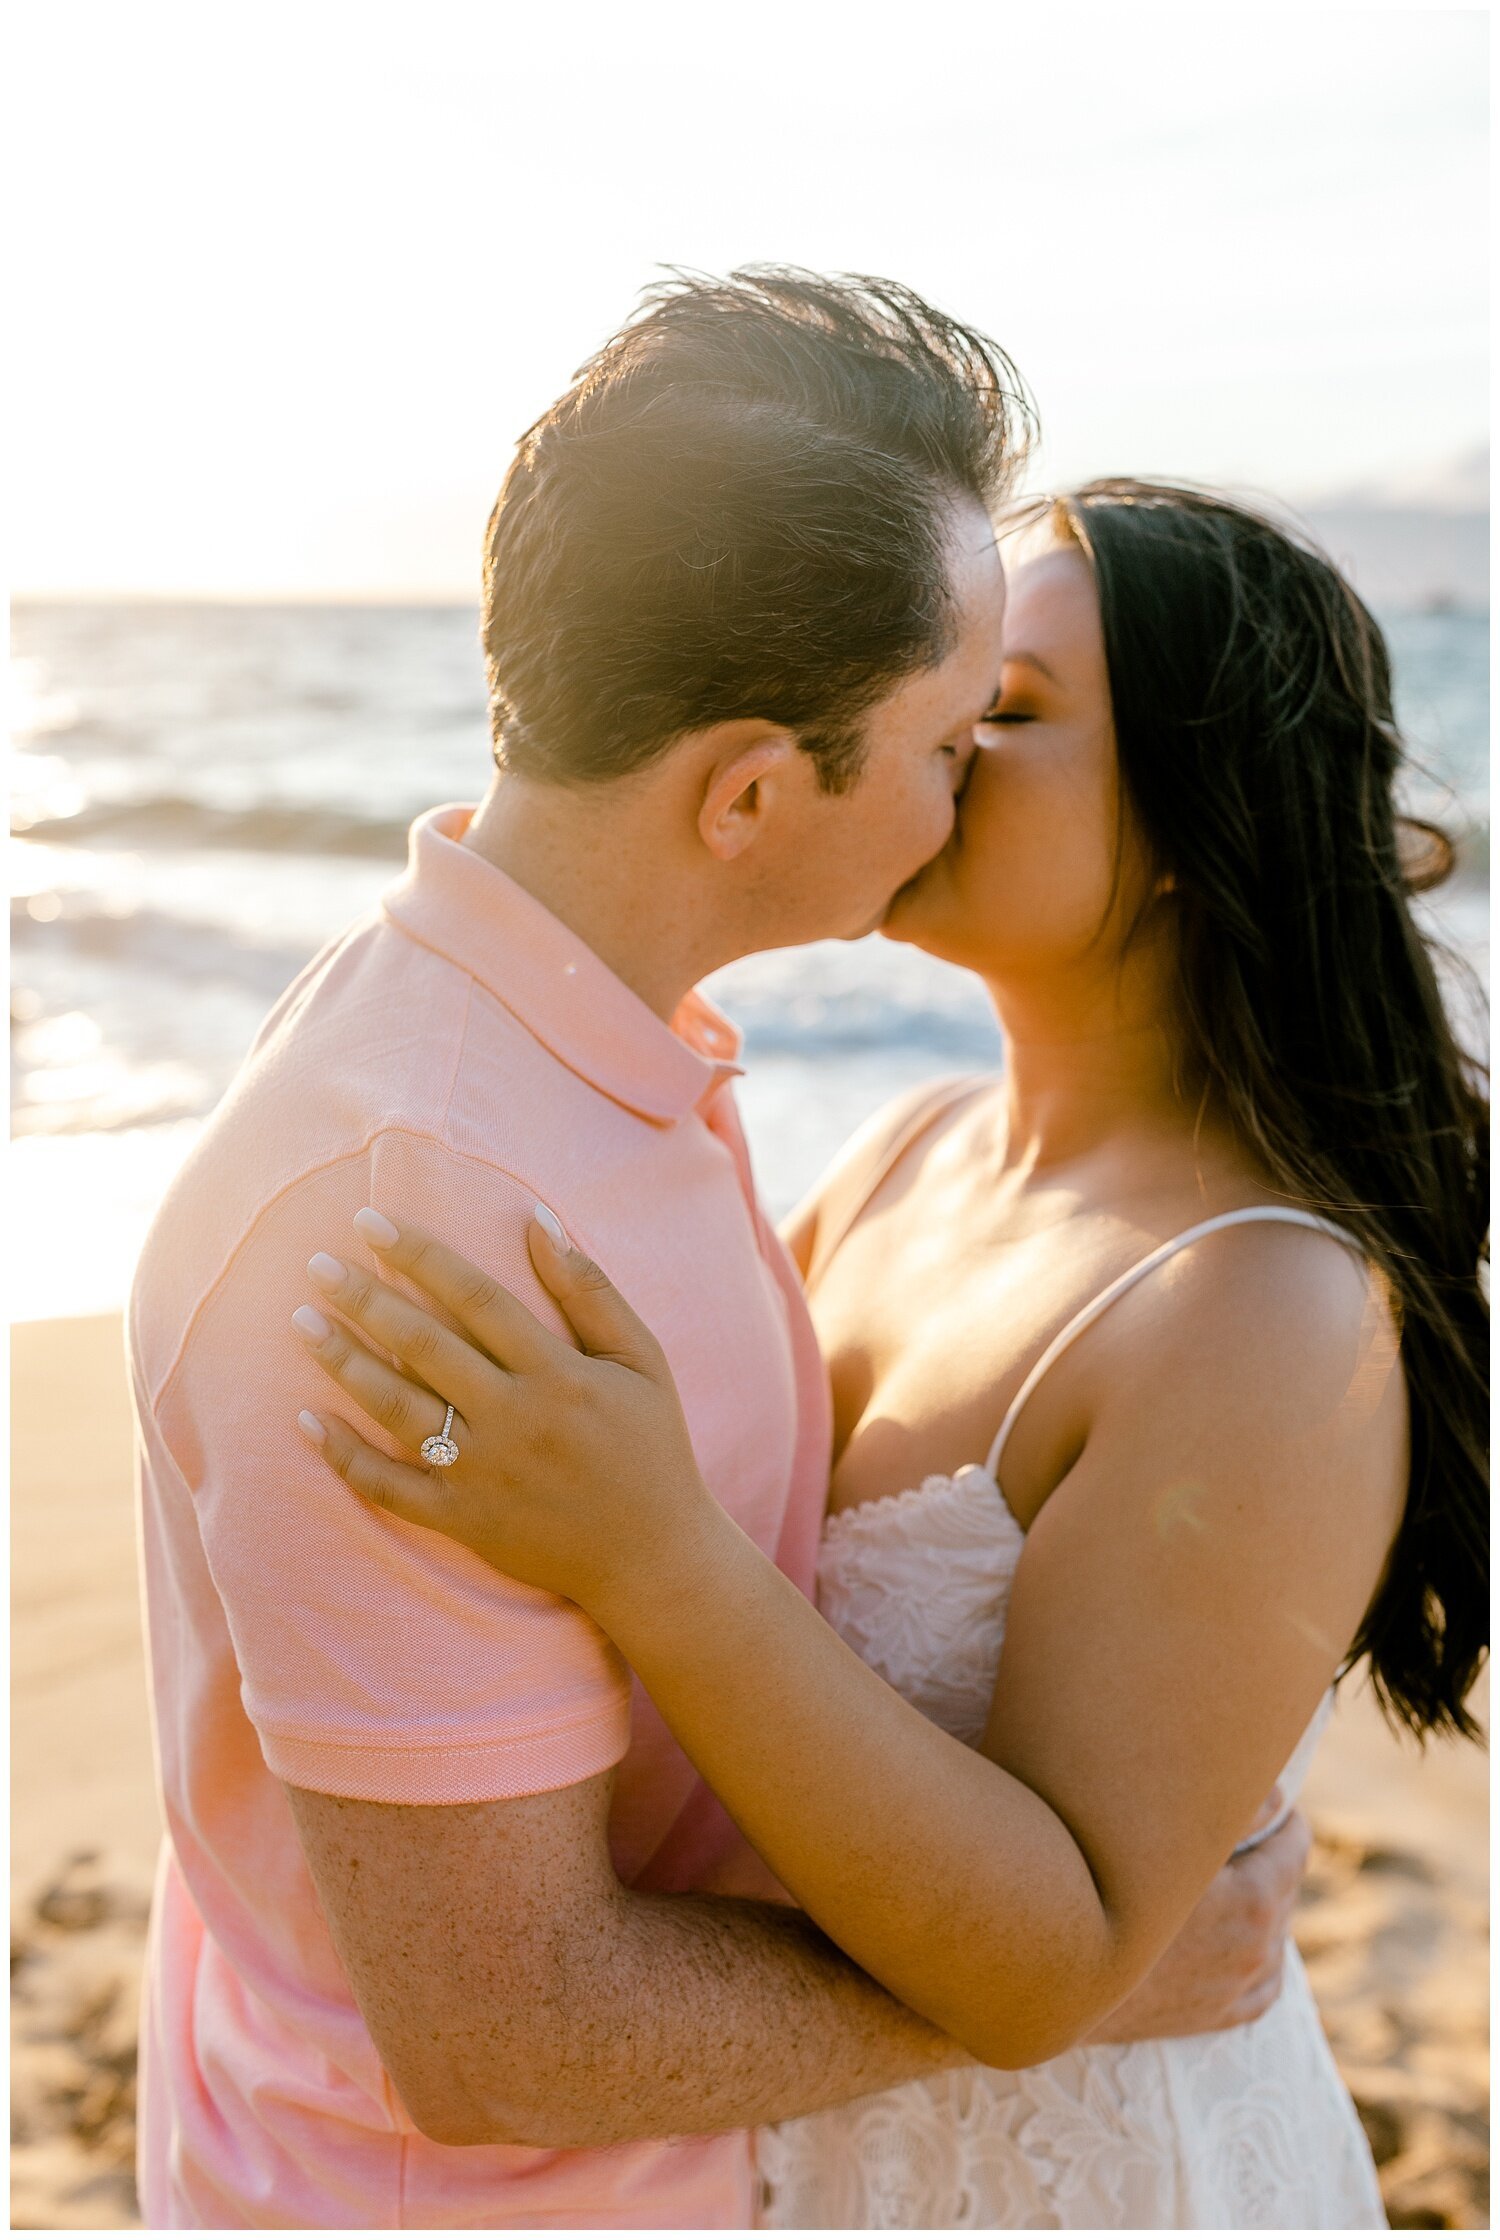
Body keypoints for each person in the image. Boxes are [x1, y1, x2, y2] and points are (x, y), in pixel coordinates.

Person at [127, 276, 1304, 2230]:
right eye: (948, 735)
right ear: (755, 792)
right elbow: (505, 2033)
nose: (961, 795)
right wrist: (1068, 1992)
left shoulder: (582, 1047)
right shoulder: (419, 1212)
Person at [296, 482, 1489, 2228]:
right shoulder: (903, 1149)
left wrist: (652, 1559)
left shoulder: (1264, 1312)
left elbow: (1060, 1955)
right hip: (799, 2141)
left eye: (1003, 712)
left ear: (1195, 809)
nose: (927, 735)